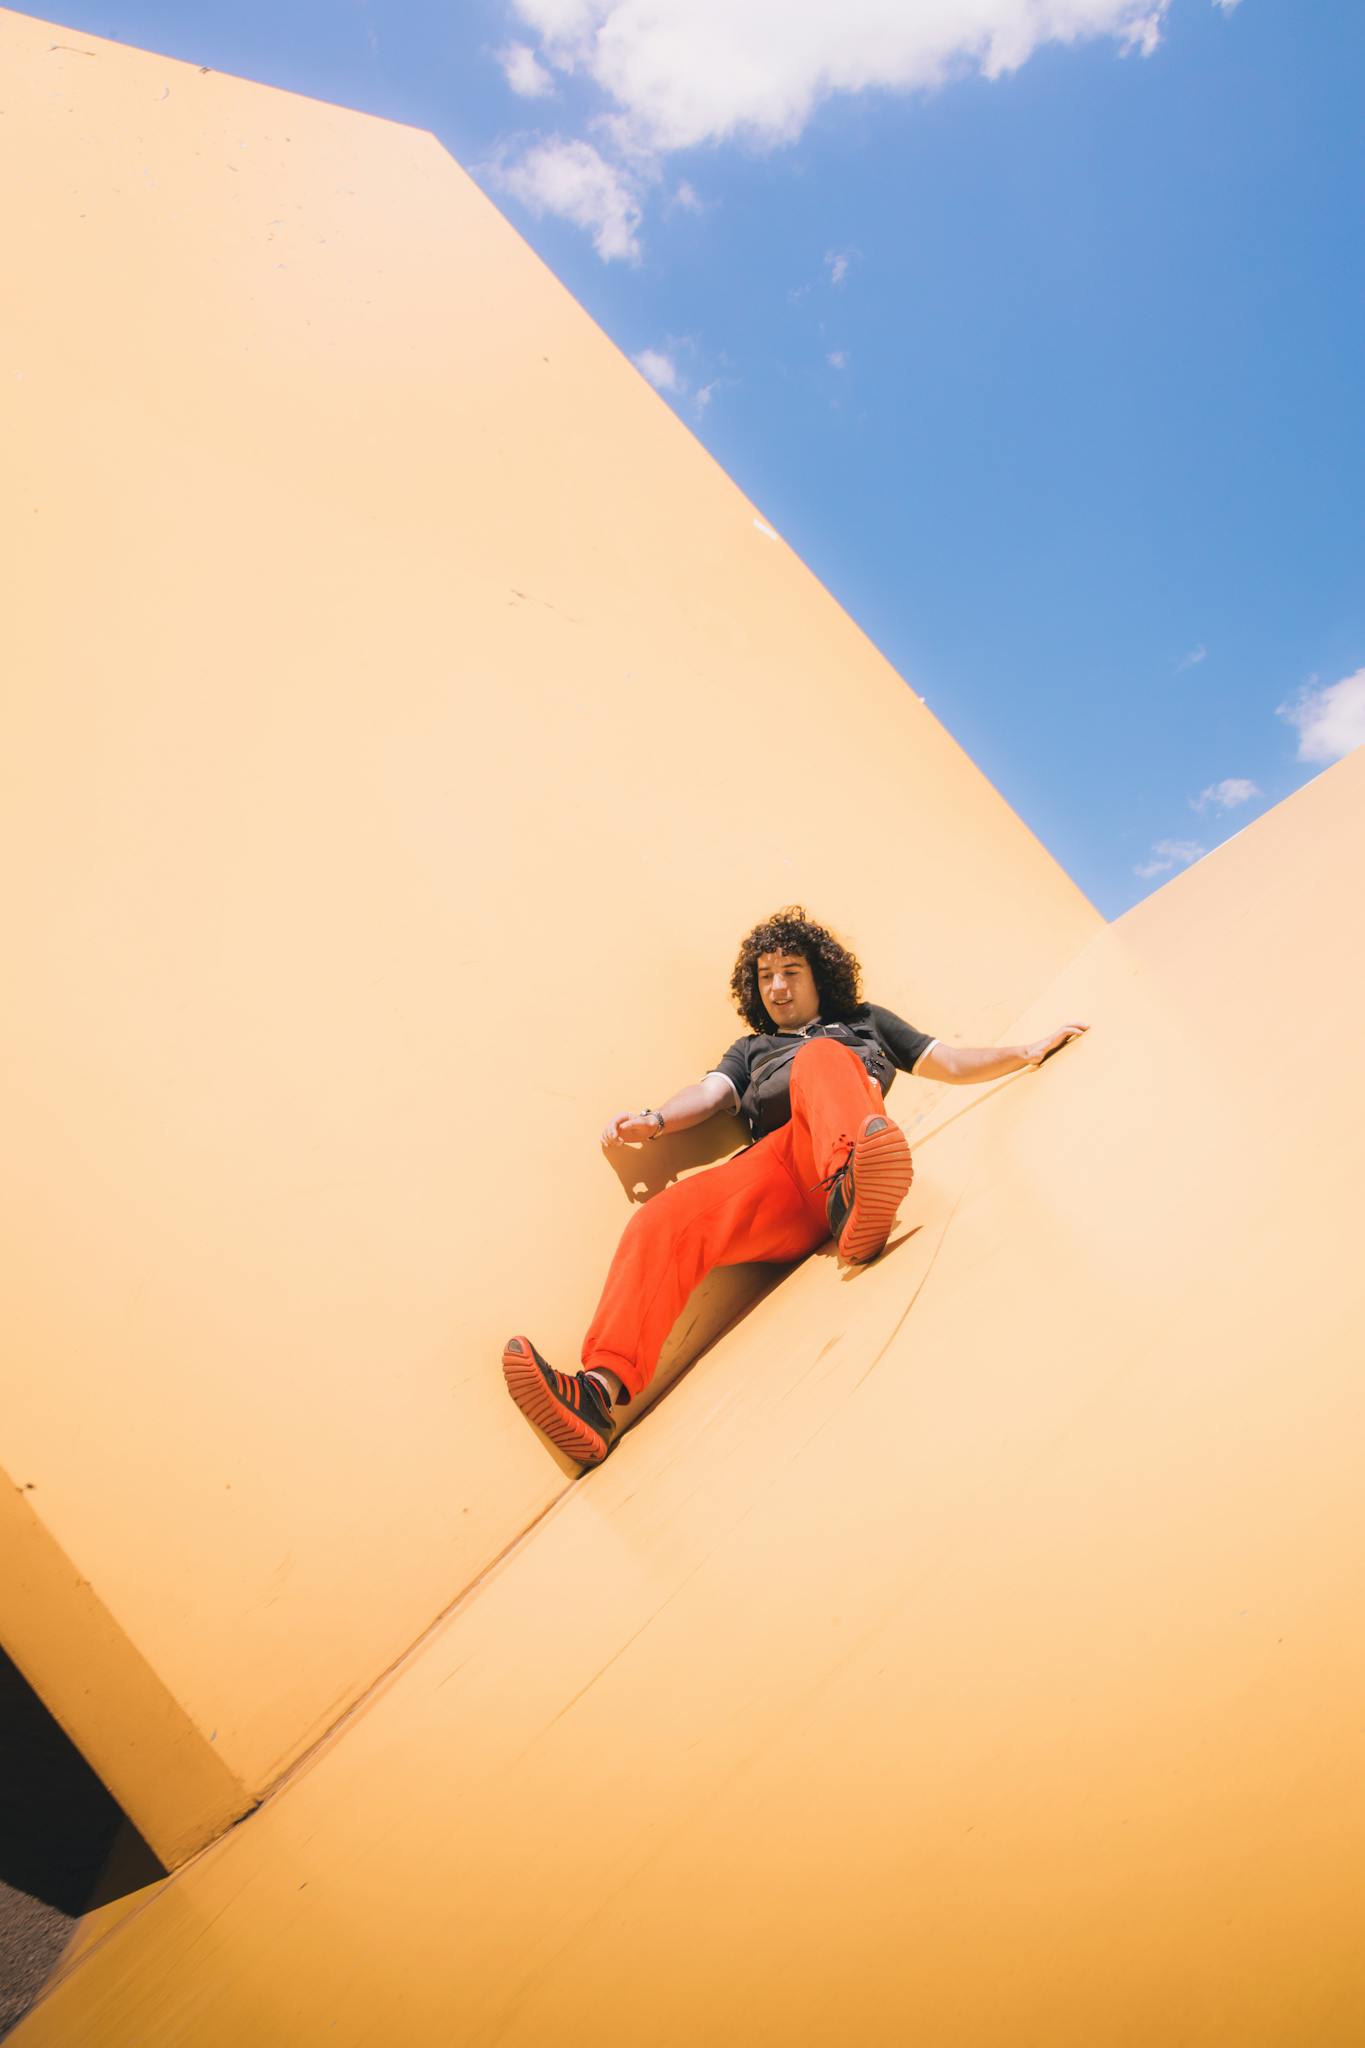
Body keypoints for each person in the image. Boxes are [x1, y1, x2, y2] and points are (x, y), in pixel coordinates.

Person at [502, 907, 1086, 1467]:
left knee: (823, 1058)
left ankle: (856, 1193)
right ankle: (597, 1396)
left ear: (819, 976)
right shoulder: (751, 1050)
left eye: (790, 972)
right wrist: (655, 1120)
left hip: (852, 1151)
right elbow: (708, 1096)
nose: (776, 988)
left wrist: (1026, 1050)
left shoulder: (863, 1024)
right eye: (765, 977)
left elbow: (951, 1062)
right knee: (661, 1220)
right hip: (777, 1177)